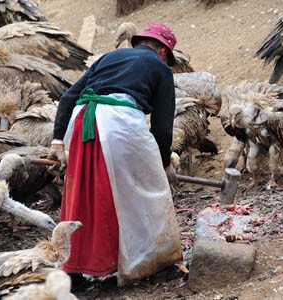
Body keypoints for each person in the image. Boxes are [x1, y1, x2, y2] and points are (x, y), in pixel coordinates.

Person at [48, 22, 183, 285]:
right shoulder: (161, 69)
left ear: (139, 42)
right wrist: (163, 165)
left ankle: (74, 272)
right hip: (120, 123)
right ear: (164, 52)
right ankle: (154, 263)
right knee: (147, 192)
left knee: (83, 194)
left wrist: (57, 141)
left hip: (82, 121)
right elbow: (163, 128)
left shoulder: (109, 58)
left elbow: (68, 98)